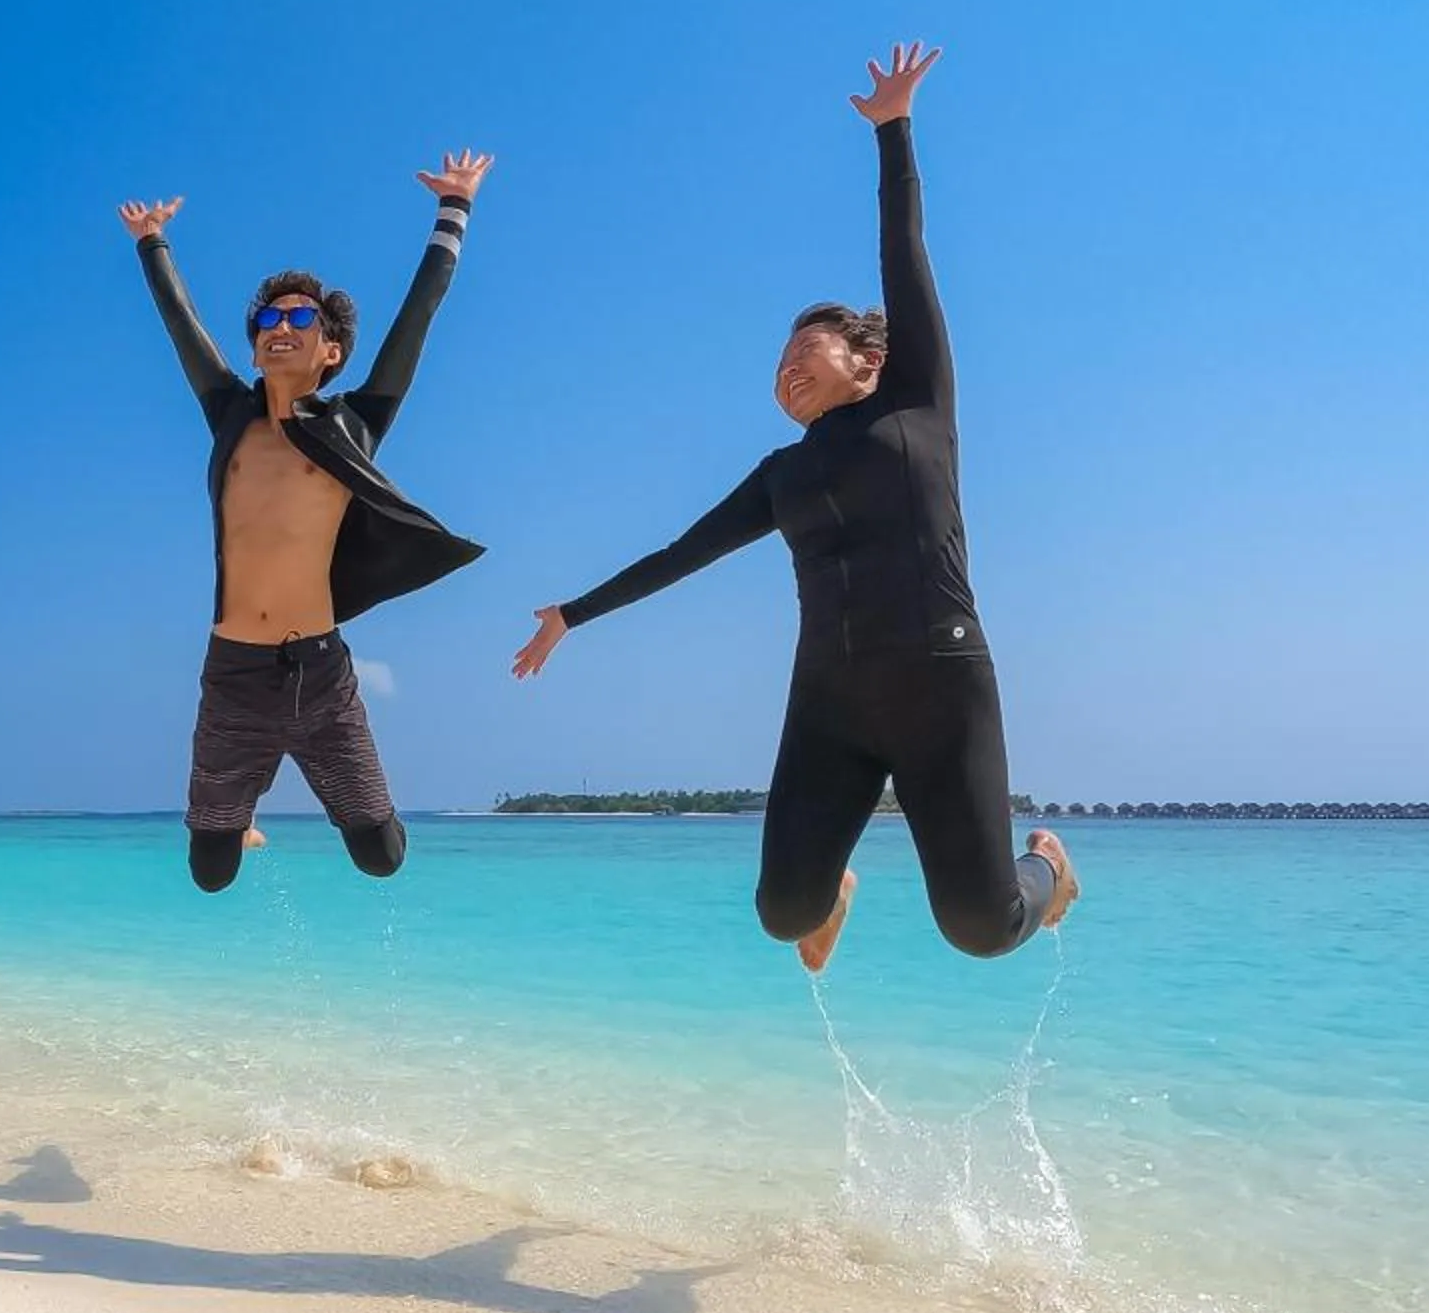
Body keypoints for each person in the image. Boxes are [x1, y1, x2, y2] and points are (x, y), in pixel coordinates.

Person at [509, 47, 1077, 970]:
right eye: (775, 368)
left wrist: (893, 129)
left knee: (982, 927)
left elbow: (904, 252)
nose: (784, 371)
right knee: (782, 913)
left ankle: (1051, 871)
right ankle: (833, 893)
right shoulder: (781, 474)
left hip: (940, 686)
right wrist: (571, 615)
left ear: (866, 359)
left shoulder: (918, 402)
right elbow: (681, 553)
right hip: (831, 703)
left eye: (801, 350)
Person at [120, 152, 494, 891]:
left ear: (332, 351)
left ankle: (332, 799)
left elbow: (417, 319)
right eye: (268, 318)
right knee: (211, 872)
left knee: (381, 858)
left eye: (300, 318)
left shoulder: (354, 424)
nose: (279, 326)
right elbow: (182, 327)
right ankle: (242, 815)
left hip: (322, 675)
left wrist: (454, 210)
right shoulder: (231, 415)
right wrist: (152, 242)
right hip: (233, 674)